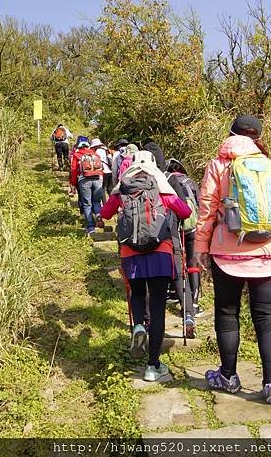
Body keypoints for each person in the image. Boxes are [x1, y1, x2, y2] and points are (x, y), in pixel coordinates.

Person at [195, 115, 271, 404]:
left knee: (228, 313)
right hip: (268, 253)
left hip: (227, 253)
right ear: (257, 138)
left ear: (231, 135)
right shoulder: (270, 166)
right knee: (267, 316)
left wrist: (201, 247)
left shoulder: (218, 166)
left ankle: (228, 376)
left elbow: (206, 210)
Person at [100, 151, 191, 382]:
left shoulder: (124, 186)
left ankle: (139, 324)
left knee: (138, 294)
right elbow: (185, 212)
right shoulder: (160, 185)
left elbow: (105, 212)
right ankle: (153, 366)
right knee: (158, 307)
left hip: (131, 254)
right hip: (160, 253)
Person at [144, 142, 196, 338]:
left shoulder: (137, 178)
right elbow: (184, 209)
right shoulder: (169, 179)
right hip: (170, 236)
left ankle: (149, 321)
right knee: (179, 277)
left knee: (150, 281)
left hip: (143, 239)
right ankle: (188, 316)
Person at [165, 158, 203, 317]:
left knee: (179, 262)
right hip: (193, 225)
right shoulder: (190, 181)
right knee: (192, 261)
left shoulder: (167, 180)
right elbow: (201, 202)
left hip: (177, 226)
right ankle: (194, 301)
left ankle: (178, 295)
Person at [70, 139, 104, 236]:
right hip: (97, 179)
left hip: (84, 180)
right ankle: (98, 214)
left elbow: (73, 170)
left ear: (79, 147)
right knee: (97, 201)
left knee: (87, 204)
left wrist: (73, 182)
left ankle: (90, 227)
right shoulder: (95, 154)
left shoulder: (76, 155)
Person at [90, 138, 113, 203]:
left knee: (102, 189)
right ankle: (113, 205)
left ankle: (105, 204)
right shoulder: (106, 149)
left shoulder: (97, 151)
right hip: (110, 170)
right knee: (110, 189)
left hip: (103, 171)